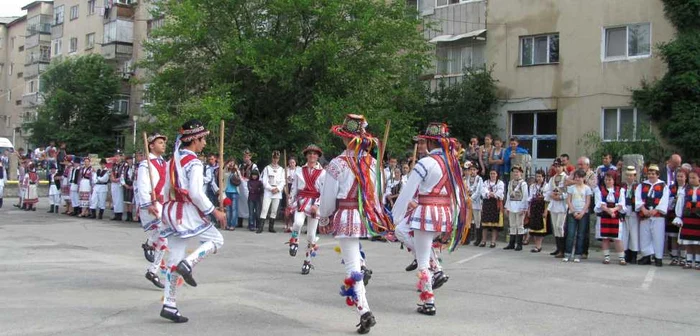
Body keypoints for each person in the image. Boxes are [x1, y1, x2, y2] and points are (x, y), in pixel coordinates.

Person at [319, 114, 387, 333]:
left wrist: (324, 216)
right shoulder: (372, 162)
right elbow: (377, 194)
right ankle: (363, 266)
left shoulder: (337, 164)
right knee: (354, 256)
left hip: (346, 215)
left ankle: (365, 311)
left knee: (351, 267)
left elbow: (328, 197)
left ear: (345, 138)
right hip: (364, 215)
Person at [393, 122, 466, 316]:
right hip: (444, 214)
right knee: (411, 239)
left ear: (430, 142)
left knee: (422, 258)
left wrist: (394, 215)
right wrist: (455, 219)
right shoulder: (453, 164)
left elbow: (407, 191)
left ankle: (429, 301)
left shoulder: (425, 163)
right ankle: (435, 272)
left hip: (426, 214)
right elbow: (457, 193)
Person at [159, 119, 226, 323]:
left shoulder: (172, 160)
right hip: (185, 211)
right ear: (195, 139)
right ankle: (189, 264)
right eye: (203, 139)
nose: (205, 143)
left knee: (173, 260)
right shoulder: (194, 163)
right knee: (216, 240)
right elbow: (196, 193)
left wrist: (162, 210)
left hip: (170, 210)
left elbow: (164, 189)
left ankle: (169, 304)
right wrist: (214, 211)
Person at [137, 133, 169, 289]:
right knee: (164, 239)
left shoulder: (164, 163)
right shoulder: (146, 164)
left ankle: (149, 244)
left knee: (164, 235)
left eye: (164, 142)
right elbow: (142, 186)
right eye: (160, 142)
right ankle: (152, 270)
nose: (163, 145)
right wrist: (148, 203)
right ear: (151, 145)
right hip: (152, 204)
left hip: (162, 203)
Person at [288, 144, 326, 275]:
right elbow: (294, 187)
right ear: (306, 155)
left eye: (315, 154)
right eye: (309, 153)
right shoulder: (299, 170)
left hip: (315, 202)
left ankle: (307, 261)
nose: (312, 156)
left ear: (318, 157)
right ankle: (294, 241)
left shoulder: (323, 173)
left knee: (311, 236)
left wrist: (318, 205)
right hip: (302, 200)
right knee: (297, 223)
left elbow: (324, 191)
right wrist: (290, 202)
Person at [635, 164, 670, 267]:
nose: (651, 175)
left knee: (658, 236)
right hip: (645, 214)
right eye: (649, 173)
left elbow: (664, 200)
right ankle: (646, 256)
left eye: (653, 174)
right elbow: (638, 198)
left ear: (657, 175)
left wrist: (656, 210)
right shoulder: (642, 185)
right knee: (645, 236)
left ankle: (658, 257)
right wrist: (643, 209)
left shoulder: (663, 186)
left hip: (657, 215)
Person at [594, 171, 627, 265]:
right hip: (604, 215)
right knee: (605, 238)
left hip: (615, 216)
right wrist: (609, 211)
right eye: (606, 179)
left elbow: (622, 203)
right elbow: (599, 203)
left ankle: (622, 258)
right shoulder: (599, 189)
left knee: (617, 238)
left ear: (614, 180)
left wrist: (614, 210)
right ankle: (606, 257)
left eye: (609, 179)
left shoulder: (620, 190)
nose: (607, 181)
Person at [673, 168, 700, 270]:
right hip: (688, 217)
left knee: (697, 242)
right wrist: (679, 216)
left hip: (698, 219)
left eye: (694, 178)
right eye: (690, 178)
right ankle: (688, 261)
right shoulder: (685, 190)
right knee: (688, 241)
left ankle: (697, 261)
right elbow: (680, 204)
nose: (691, 180)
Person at [564, 169, 593, 263]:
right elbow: (568, 200)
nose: (578, 179)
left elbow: (588, 201)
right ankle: (567, 253)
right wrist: (573, 212)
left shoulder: (587, 188)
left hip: (583, 213)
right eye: (576, 177)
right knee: (570, 234)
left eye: (580, 177)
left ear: (584, 178)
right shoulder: (571, 188)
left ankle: (578, 254)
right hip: (573, 213)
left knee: (581, 234)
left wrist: (582, 212)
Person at [545, 158, 568, 258]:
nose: (557, 168)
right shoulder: (552, 178)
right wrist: (552, 196)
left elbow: (569, 192)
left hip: (562, 204)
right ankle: (558, 248)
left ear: (563, 167)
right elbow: (548, 190)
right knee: (555, 227)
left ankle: (563, 249)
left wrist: (561, 196)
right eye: (556, 166)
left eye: (559, 166)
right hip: (554, 204)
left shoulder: (566, 178)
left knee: (560, 226)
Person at [666, 168, 688, 265]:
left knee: (683, 236)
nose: (679, 178)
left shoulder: (688, 188)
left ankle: (683, 257)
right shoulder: (672, 187)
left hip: (684, 215)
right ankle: (674, 257)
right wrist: (673, 200)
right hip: (673, 214)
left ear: (685, 177)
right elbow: (667, 200)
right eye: (678, 176)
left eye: (681, 176)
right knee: (674, 236)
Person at [504, 165, 529, 251]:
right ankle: (511, 243)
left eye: (517, 171)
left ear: (521, 173)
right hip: (511, 206)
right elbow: (508, 195)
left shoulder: (523, 183)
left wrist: (524, 208)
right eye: (514, 172)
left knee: (520, 225)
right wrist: (506, 207)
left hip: (519, 206)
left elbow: (525, 196)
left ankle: (519, 244)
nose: (515, 173)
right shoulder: (511, 182)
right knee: (512, 225)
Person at [260, 151, 285, 233]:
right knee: (264, 209)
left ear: (278, 159)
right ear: (272, 158)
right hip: (268, 190)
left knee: (274, 210)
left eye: (277, 158)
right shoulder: (267, 168)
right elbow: (264, 181)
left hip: (277, 191)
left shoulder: (281, 169)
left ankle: (271, 227)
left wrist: (277, 189)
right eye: (274, 158)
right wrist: (271, 188)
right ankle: (261, 227)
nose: (275, 160)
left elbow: (283, 181)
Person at [480, 169, 505, 247]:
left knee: (494, 225)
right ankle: (483, 241)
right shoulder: (485, 182)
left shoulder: (500, 183)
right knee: (485, 224)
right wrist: (488, 193)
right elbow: (483, 191)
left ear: (497, 174)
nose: (492, 175)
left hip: (495, 204)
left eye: (494, 173)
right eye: (491, 173)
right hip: (487, 204)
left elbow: (501, 191)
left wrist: (493, 194)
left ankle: (493, 242)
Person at [621, 166, 640, 264]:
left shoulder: (638, 187)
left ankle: (634, 255)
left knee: (634, 234)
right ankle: (625, 254)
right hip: (624, 212)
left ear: (635, 176)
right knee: (624, 234)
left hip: (633, 212)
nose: (629, 177)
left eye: (631, 176)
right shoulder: (623, 186)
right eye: (627, 175)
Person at [527, 169, 549, 252]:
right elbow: (530, 198)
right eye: (537, 176)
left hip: (541, 207)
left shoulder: (546, 186)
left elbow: (547, 199)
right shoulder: (532, 186)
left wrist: (546, 210)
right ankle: (537, 245)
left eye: (540, 176)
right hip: (534, 207)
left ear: (543, 177)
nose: (538, 178)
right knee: (534, 227)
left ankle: (538, 245)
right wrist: (529, 209)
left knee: (540, 227)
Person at [466, 162, 484, 246]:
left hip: (476, 203)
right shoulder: (467, 179)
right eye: (471, 170)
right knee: (468, 220)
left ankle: (478, 239)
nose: (472, 171)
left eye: (474, 170)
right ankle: (467, 238)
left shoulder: (479, 179)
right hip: (468, 203)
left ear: (477, 171)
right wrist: (467, 198)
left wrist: (471, 198)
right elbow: (465, 189)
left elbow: (478, 191)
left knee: (477, 220)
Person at [223, 159, 241, 230]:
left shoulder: (236, 171)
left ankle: (233, 225)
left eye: (232, 163)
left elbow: (240, 179)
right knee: (228, 209)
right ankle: (228, 224)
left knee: (234, 209)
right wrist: (226, 167)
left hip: (235, 192)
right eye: (230, 163)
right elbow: (223, 176)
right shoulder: (226, 171)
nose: (231, 165)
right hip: (227, 191)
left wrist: (236, 169)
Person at [283, 156, 298, 232]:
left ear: (295, 163)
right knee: (287, 208)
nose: (292, 164)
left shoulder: (298, 170)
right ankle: (286, 224)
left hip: (295, 189)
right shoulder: (285, 170)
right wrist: (287, 193)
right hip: (288, 187)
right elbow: (284, 183)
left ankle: (292, 224)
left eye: (293, 162)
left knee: (293, 208)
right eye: (290, 162)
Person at [121, 155, 136, 222]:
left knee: (131, 201)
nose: (130, 161)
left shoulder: (135, 168)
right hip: (126, 184)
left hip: (132, 185)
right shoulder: (125, 168)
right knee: (127, 201)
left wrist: (134, 185)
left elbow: (136, 177)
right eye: (128, 160)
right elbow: (122, 176)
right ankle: (128, 215)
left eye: (131, 159)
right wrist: (124, 184)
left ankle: (131, 215)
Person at [110, 151, 125, 221]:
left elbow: (124, 174)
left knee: (119, 198)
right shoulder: (114, 165)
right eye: (116, 156)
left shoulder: (124, 165)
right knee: (115, 198)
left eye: (118, 156)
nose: (117, 158)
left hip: (119, 183)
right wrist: (112, 178)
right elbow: (112, 172)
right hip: (114, 182)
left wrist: (118, 179)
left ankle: (119, 214)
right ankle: (116, 213)